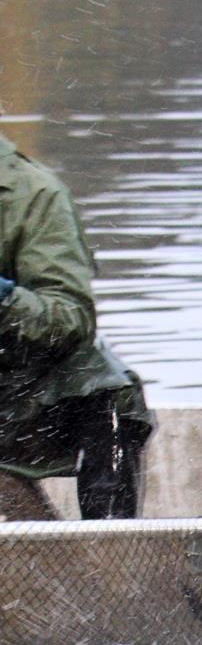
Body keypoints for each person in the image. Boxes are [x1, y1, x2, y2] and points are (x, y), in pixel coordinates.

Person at [0, 128, 154, 518]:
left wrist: (3, 298)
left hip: (19, 394)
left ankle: (110, 549)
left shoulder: (34, 194)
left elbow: (69, 317)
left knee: (109, 388)